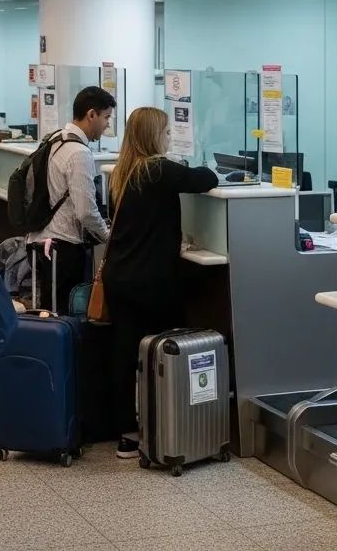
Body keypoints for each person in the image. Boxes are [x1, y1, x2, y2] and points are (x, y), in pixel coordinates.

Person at [103, 107, 217, 459]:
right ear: (155, 135)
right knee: (162, 350)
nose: (169, 138)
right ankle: (163, 424)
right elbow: (206, 178)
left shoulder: (122, 172)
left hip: (119, 276)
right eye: (166, 132)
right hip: (150, 279)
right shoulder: (159, 169)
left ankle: (126, 433)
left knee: (125, 352)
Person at [27, 86, 113, 312]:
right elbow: (85, 210)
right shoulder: (79, 153)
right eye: (106, 117)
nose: (107, 125)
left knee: (46, 312)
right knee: (62, 316)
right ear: (91, 114)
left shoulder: (55, 139)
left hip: (41, 240)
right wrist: (107, 236)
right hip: (62, 247)